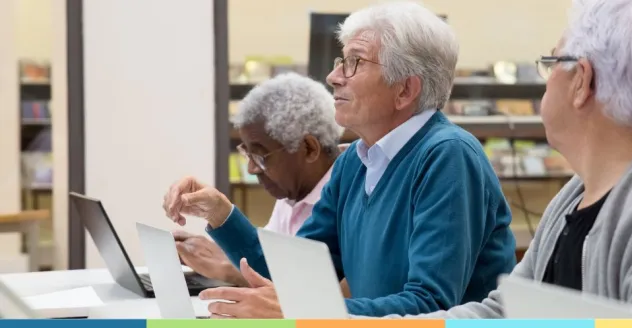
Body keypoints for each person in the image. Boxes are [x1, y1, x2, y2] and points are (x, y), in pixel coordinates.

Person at [378, 0, 632, 319]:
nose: (546, 81)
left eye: (552, 62)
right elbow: (504, 313)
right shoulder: (575, 195)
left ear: (582, 81)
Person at [162, 1, 517, 319]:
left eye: (354, 63)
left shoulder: (448, 157)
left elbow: (431, 307)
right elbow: (293, 273)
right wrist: (220, 214)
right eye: (339, 61)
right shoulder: (355, 162)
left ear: (405, 90)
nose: (333, 77)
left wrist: (302, 309)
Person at [167, 72, 351, 295]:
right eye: (248, 154)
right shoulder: (294, 191)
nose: (252, 169)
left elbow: (306, 287)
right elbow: (269, 263)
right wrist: (223, 244)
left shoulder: (351, 189)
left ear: (309, 149)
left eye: (261, 157)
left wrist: (230, 268)